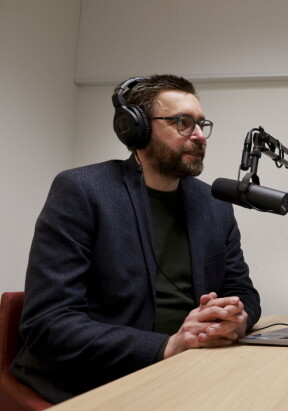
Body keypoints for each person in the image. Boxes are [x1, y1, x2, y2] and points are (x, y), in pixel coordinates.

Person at [11, 74, 262, 403]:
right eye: (183, 123)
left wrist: (236, 318)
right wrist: (167, 345)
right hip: (99, 379)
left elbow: (243, 291)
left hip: (191, 369)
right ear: (136, 128)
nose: (200, 136)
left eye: (202, 124)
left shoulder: (213, 204)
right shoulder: (82, 191)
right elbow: (48, 324)